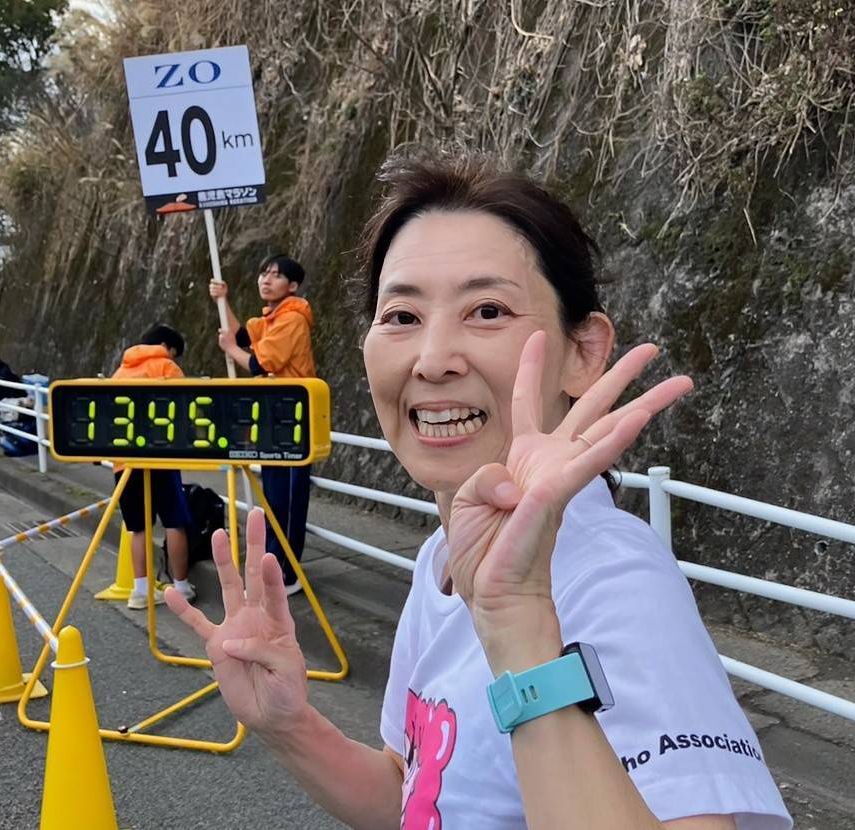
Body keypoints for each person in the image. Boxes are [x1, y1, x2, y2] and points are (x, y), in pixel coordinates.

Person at [167, 155, 792, 829]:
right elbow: (414, 794)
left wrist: (519, 626)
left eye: (487, 310)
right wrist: (289, 726)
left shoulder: (610, 578)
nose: (433, 359)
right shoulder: (441, 556)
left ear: (583, 351)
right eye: (401, 315)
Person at [210, 254, 316, 595]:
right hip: (274, 415)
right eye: (263, 273)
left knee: (287, 501)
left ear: (293, 285)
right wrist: (223, 299)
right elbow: (242, 337)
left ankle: (287, 574)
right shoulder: (271, 319)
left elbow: (259, 363)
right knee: (272, 499)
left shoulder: (292, 319)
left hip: (292, 418)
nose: (266, 280)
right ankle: (273, 568)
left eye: (276, 275)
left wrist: (230, 348)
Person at [112, 324, 196, 609]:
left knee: (137, 527)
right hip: (161, 458)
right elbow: (185, 411)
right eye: (174, 353)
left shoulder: (120, 372)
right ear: (166, 347)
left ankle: (140, 591)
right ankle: (181, 587)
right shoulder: (166, 367)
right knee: (174, 521)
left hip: (125, 461)